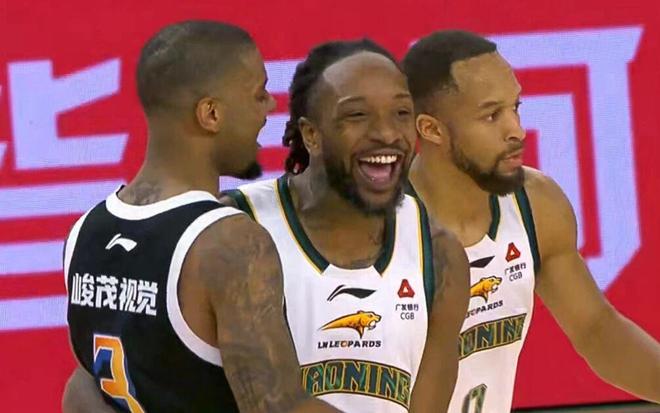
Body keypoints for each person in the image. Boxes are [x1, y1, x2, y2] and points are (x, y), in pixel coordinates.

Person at [62, 20, 342, 413]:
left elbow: (80, 393)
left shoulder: (85, 231)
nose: (270, 106)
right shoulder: (229, 244)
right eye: (258, 94)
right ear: (210, 114)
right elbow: (278, 408)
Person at [401, 30, 660, 412]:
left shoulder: (535, 204)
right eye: (491, 115)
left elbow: (596, 329)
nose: (516, 131)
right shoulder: (370, 228)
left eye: (515, 108)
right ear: (431, 129)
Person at [221, 39, 470, 413]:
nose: (387, 133)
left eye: (402, 113)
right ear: (311, 135)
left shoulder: (439, 255)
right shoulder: (235, 228)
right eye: (357, 115)